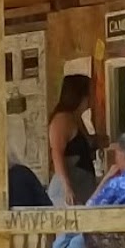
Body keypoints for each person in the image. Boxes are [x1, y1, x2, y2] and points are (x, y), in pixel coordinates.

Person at [46, 74, 97, 208]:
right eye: (90, 93)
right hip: (68, 190)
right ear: (80, 95)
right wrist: (67, 187)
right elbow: (57, 153)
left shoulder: (76, 118)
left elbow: (85, 145)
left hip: (82, 187)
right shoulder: (62, 119)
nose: (92, 97)